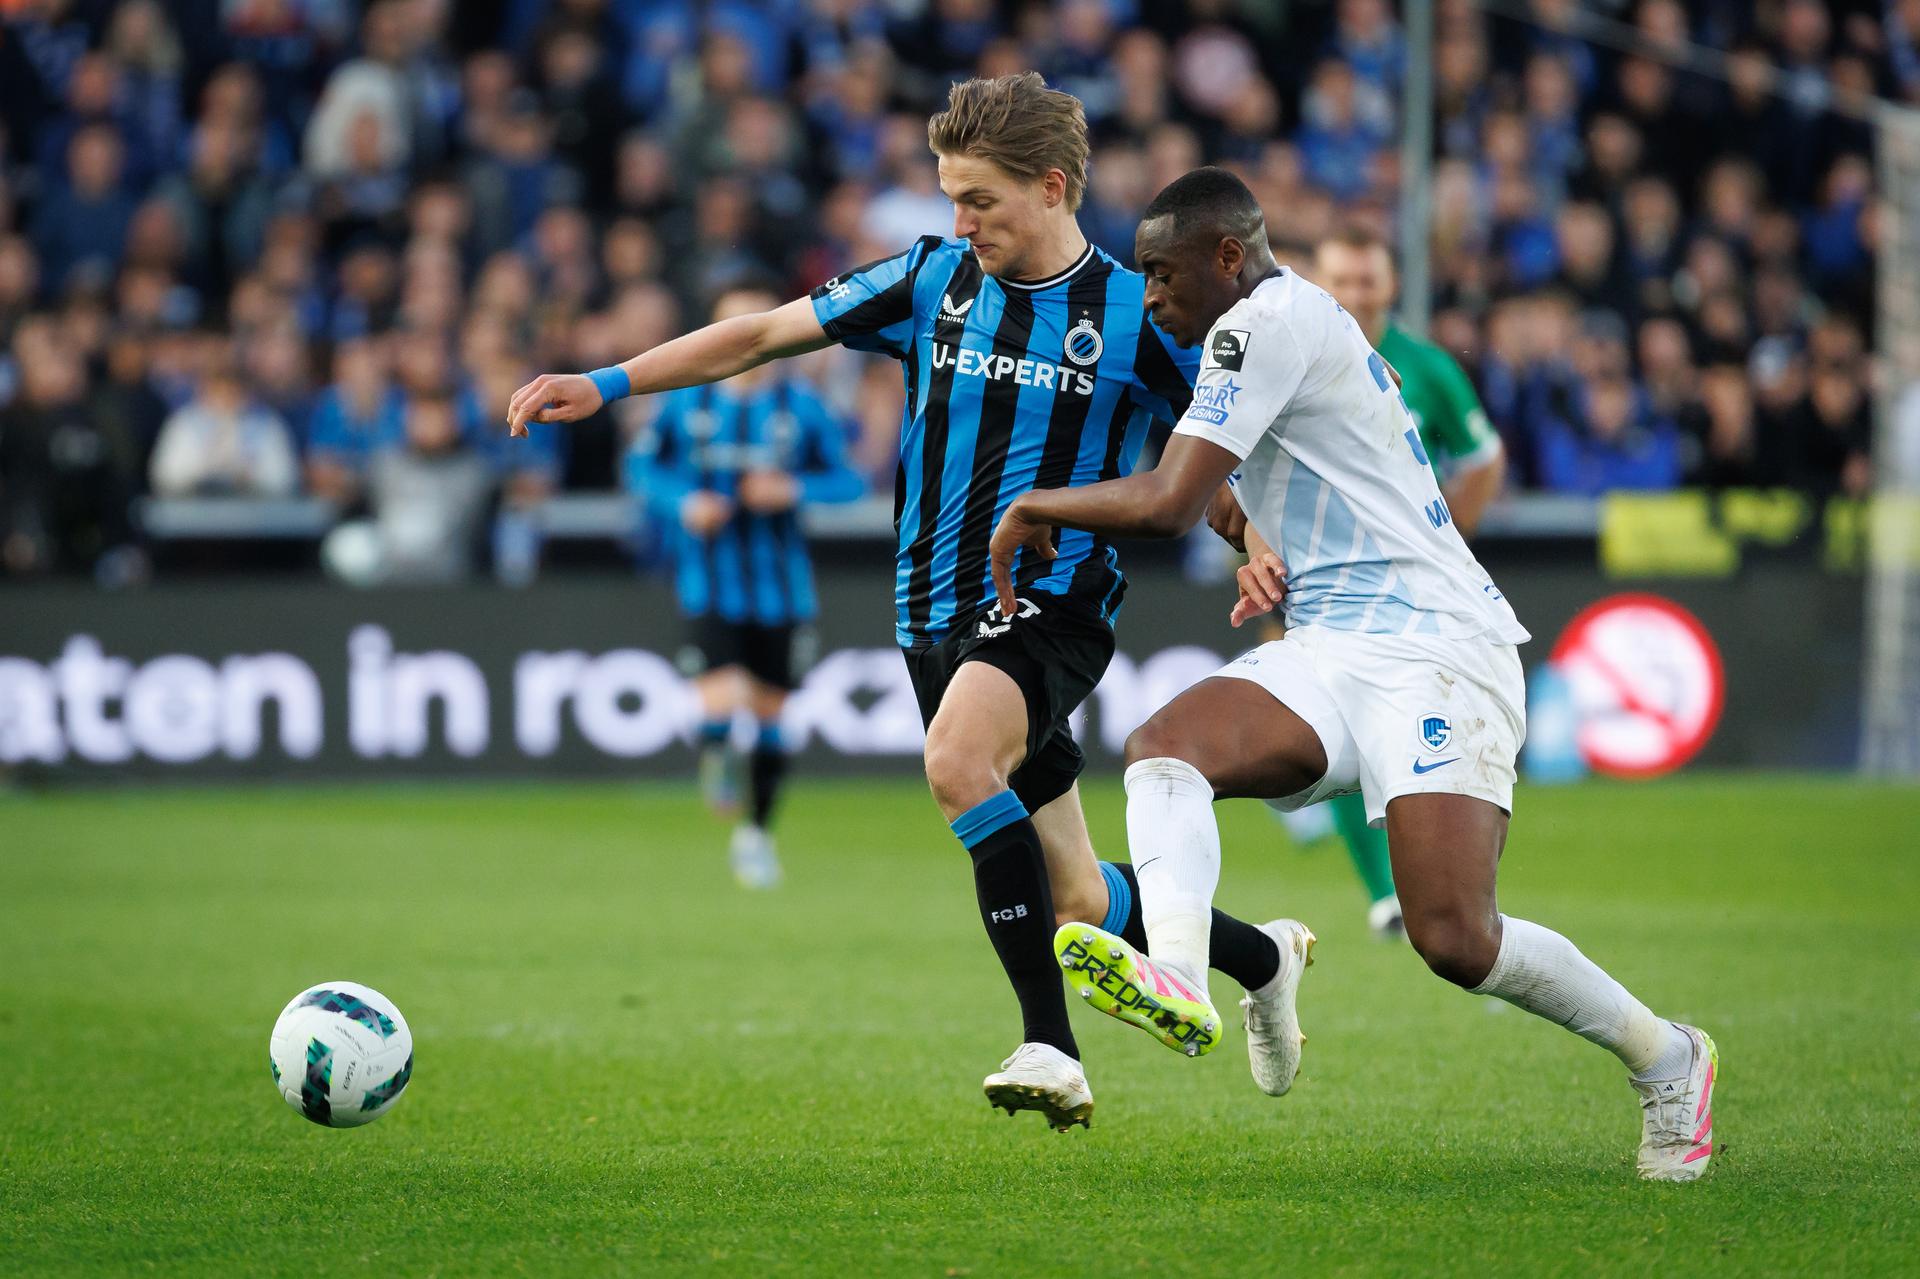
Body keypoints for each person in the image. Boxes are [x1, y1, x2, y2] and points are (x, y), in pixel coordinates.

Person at [507, 75, 1292, 1132]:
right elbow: (757, 337)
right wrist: (606, 382)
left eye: (980, 201)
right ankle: (1264, 958)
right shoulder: (930, 279)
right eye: (950, 199)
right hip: (929, 612)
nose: (959, 223)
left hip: (1051, 603)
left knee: (958, 764)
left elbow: (1202, 466)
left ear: (1052, 187)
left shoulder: (1135, 312)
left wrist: (1253, 536)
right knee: (1072, 897)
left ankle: (1049, 1046)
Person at [989, 167, 1717, 1182]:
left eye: (1163, 272)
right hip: (1330, 643)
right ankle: (1184, 978)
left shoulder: (1263, 324)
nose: (1151, 294)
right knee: (1167, 746)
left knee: (1456, 938)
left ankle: (1668, 1057)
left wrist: (1032, 508)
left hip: (1436, 651)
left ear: (1228, 257)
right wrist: (1254, 521)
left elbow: (1165, 501)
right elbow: (1235, 488)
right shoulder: (1275, 328)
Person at [1253, 228, 1511, 939]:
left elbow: (1484, 457)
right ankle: (1383, 888)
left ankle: (1434, 877)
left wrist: (1451, 532)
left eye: (1369, 281)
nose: (1357, 294)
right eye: (1344, 279)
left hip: (1413, 591)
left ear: (1392, 285)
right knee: (1332, 719)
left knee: (1403, 731)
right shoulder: (1293, 351)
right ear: (1320, 281)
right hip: (1312, 575)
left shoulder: (1426, 367)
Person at [625, 280, 866, 890]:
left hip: (783, 590)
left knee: (770, 716)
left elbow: (848, 481)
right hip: (709, 582)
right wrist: (683, 502)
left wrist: (794, 490)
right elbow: (641, 467)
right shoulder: (686, 403)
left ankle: (755, 834)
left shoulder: (801, 407)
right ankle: (713, 752)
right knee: (720, 697)